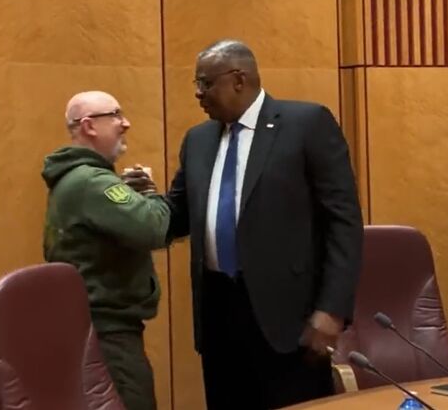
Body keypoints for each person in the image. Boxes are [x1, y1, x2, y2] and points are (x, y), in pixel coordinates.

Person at [126, 39, 363, 409]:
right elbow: (180, 214)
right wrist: (139, 202)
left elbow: (343, 221)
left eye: (205, 83)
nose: (198, 93)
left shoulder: (306, 124)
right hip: (219, 312)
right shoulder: (198, 140)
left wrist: (332, 310)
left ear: (238, 79)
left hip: (289, 317)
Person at [41, 90, 167, 410]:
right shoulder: (92, 183)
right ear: (89, 126)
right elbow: (153, 228)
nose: (125, 123)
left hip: (92, 330)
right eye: (115, 115)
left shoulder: (73, 178)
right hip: (110, 337)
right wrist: (151, 195)